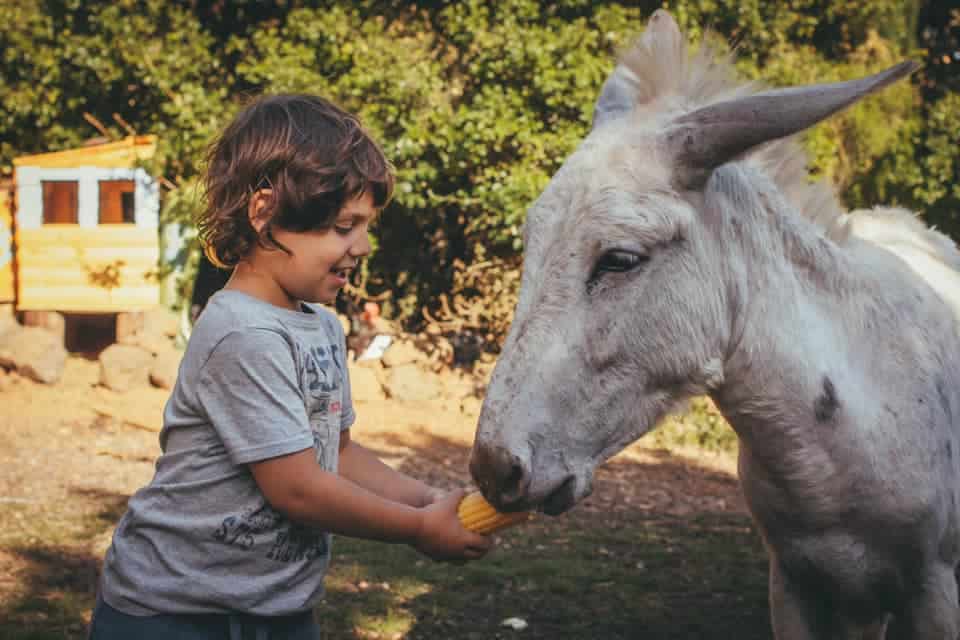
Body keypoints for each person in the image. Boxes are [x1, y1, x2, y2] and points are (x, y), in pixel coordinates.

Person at [89, 94, 492, 640]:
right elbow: (298, 488)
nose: (365, 245)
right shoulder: (243, 335)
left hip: (275, 608)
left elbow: (338, 452)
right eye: (345, 226)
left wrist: (425, 498)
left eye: (366, 225)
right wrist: (418, 528)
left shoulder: (321, 324)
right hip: (173, 612)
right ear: (264, 213)